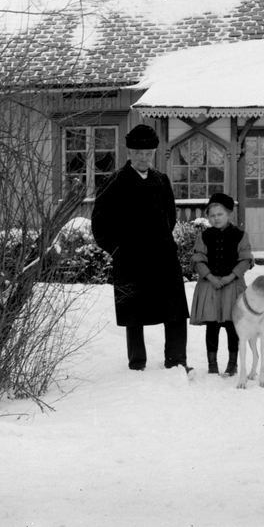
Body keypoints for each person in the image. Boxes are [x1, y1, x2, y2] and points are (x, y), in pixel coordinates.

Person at [90, 123, 190, 373]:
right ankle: (137, 363)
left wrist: (164, 239)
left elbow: (170, 216)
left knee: (175, 310)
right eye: (139, 152)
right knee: (134, 312)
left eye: (149, 153)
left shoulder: (161, 180)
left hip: (163, 257)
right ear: (130, 152)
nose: (145, 157)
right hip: (130, 259)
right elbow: (99, 225)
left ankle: (176, 361)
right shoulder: (113, 182)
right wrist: (119, 251)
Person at [189, 192, 253, 376]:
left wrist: (230, 277)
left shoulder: (240, 236)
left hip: (232, 286)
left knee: (232, 325)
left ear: (229, 215)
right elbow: (198, 259)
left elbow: (245, 260)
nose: (216, 219)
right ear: (208, 217)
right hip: (210, 286)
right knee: (212, 325)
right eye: (212, 215)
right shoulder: (204, 236)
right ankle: (212, 365)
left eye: (220, 215)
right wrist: (209, 277)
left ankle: (232, 364)